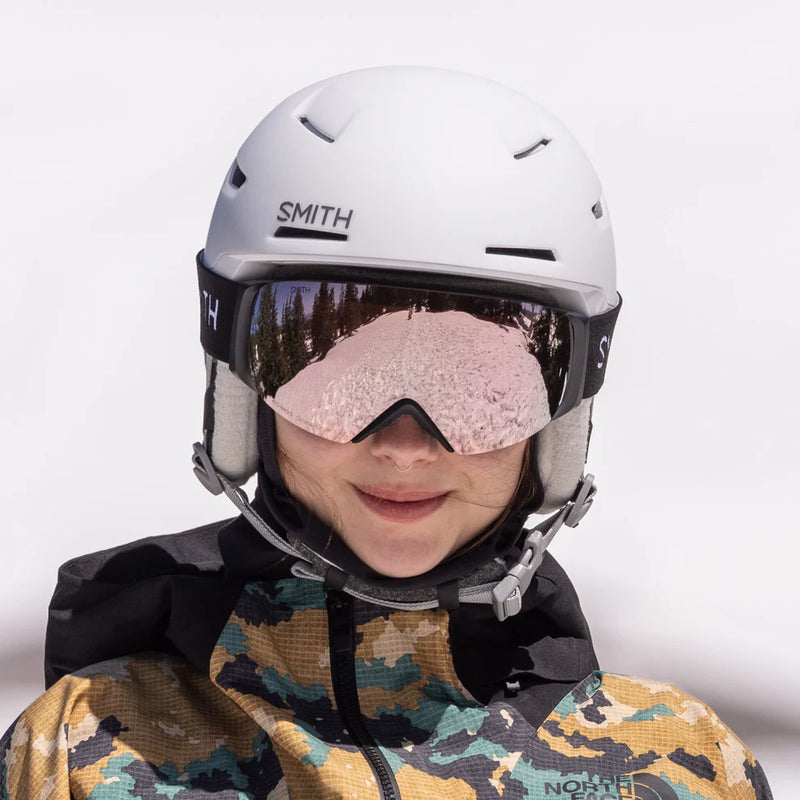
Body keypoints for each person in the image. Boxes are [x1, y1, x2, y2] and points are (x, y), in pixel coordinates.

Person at [0, 66, 772, 800]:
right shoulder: (89, 754)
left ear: (559, 428)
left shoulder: (675, 767)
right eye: (338, 378)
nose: (405, 445)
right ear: (244, 398)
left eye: (480, 390)